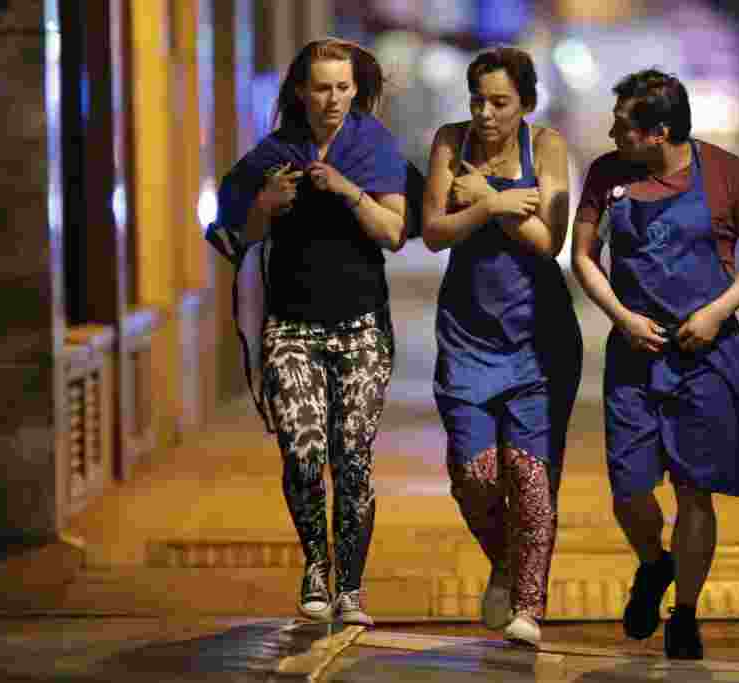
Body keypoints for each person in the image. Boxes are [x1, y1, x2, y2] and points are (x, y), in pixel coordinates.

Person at [571, 69, 739, 658]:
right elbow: (583, 256)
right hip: (634, 353)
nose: (612, 131)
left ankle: (685, 612)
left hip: (704, 355)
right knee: (629, 490)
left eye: (623, 123)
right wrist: (621, 317)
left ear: (659, 132)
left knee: (695, 491)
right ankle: (653, 562)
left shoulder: (729, 175)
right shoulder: (606, 174)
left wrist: (717, 312)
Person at [207, 38, 409, 627]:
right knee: (303, 452)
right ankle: (315, 567)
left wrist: (347, 191)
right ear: (301, 90)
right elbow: (230, 237)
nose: (334, 99)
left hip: (362, 327)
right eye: (323, 87)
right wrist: (264, 206)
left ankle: (351, 586)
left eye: (344, 87)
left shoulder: (374, 146)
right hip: (291, 326)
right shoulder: (272, 153)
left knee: (352, 459)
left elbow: (394, 232)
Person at [422, 46, 583, 647]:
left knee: (531, 476)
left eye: (500, 102)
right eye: (478, 101)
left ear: (526, 104)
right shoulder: (449, 140)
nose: (486, 114)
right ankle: (507, 561)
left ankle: (528, 609)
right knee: (475, 475)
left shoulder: (547, 147)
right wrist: (494, 202)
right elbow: (434, 231)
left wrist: (481, 193)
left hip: (538, 338)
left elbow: (548, 239)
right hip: (466, 335)